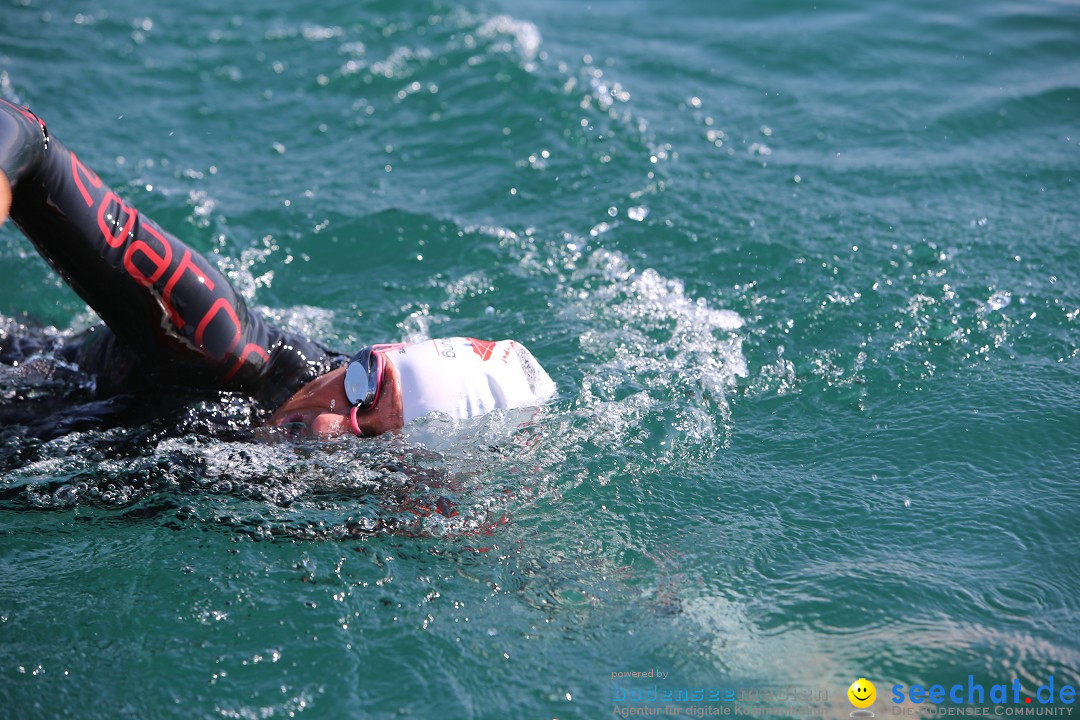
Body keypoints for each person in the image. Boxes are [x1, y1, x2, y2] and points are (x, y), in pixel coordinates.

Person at [0, 100, 555, 439]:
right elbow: (26, 136)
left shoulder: (363, 494)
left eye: (375, 441)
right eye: (364, 386)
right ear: (375, 352)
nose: (332, 426)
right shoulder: (216, 342)